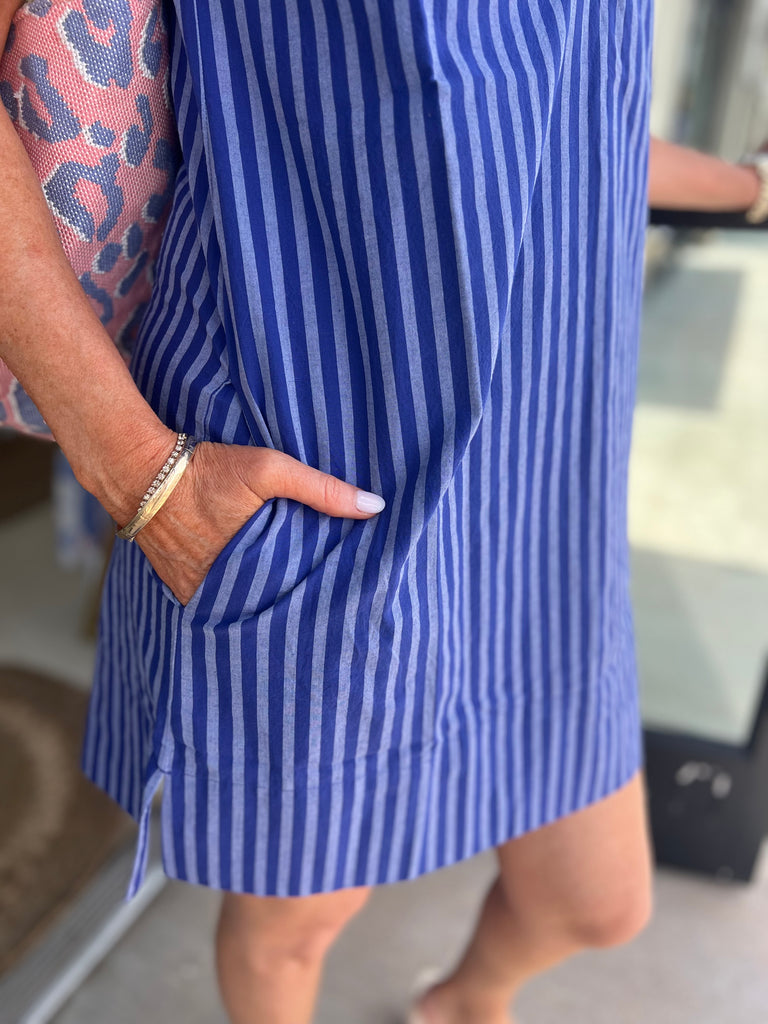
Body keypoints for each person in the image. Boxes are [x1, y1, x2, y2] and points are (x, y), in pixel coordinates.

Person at [2, 1, 766, 1022]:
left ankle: (462, 1004)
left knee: (594, 898)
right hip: (326, 466)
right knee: (296, 922)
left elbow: (565, 115)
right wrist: (142, 473)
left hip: (540, 490)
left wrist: (749, 187)